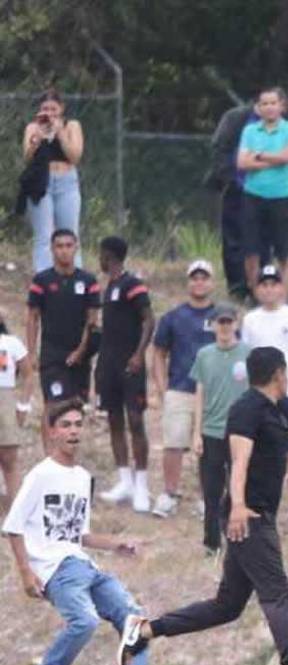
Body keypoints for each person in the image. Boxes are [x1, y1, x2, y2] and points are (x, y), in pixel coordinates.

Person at [119, 347, 288, 665]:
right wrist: (239, 507)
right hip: (248, 515)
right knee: (278, 592)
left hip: (257, 513)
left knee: (227, 606)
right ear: (279, 374)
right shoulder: (246, 409)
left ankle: (146, 629)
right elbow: (239, 461)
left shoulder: (273, 411)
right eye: (286, 372)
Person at [5, 400, 175, 665]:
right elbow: (13, 528)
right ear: (52, 432)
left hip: (83, 564)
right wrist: (26, 573)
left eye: (77, 424)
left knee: (133, 617)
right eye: (66, 425)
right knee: (83, 621)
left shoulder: (83, 477)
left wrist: (116, 545)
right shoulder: (40, 476)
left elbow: (77, 534)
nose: (73, 431)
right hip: (56, 569)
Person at [240, 264, 288, 532]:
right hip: (260, 393)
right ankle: (259, 506)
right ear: (257, 288)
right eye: (264, 284)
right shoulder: (250, 319)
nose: (269, 289)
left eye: (274, 284)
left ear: (282, 287)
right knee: (259, 453)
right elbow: (245, 355)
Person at [150, 259, 220, 518]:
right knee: (174, 443)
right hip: (180, 388)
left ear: (212, 282)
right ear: (188, 282)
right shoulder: (173, 317)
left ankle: (208, 499)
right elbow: (158, 352)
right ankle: (169, 493)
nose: (199, 282)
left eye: (204, 277)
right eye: (195, 277)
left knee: (210, 447)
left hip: (213, 394)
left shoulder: (221, 317)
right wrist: (161, 388)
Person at [94, 237, 154, 513]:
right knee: (114, 418)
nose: (99, 260)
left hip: (130, 364)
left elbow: (148, 319)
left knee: (135, 419)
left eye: (101, 255)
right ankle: (124, 481)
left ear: (110, 256)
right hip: (109, 364)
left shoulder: (132, 284)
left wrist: (139, 353)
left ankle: (142, 485)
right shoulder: (110, 287)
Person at [188, 304, 250, 554]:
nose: (224, 327)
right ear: (212, 325)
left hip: (240, 433)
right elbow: (200, 393)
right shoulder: (204, 355)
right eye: (220, 322)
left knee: (240, 488)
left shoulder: (248, 353)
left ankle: (240, 537)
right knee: (211, 491)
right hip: (211, 432)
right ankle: (211, 542)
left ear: (236, 323)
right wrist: (196, 432)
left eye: (228, 322)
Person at [25, 229, 100, 409]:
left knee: (76, 409)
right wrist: (32, 352)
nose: (64, 250)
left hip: (80, 356)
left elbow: (92, 321)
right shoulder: (41, 280)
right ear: (52, 249)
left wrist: (81, 351)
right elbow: (32, 318)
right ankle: (49, 439)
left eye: (68, 245)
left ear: (76, 248)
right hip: (52, 355)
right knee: (53, 406)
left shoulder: (89, 280)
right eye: (59, 246)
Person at [236, 87, 288, 292]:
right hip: (252, 196)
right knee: (251, 250)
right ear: (258, 108)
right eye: (264, 104)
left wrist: (259, 156)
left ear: (282, 106)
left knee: (283, 250)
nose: (269, 107)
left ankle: (283, 294)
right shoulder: (250, 130)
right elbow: (242, 163)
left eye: (273, 103)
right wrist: (275, 159)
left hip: (281, 197)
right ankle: (255, 292)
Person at [17, 90, 83, 273]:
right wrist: (37, 137)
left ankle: (74, 278)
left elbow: (75, 156)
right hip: (41, 182)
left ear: (61, 109)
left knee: (70, 232)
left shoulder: (71, 126)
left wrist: (59, 131)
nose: (49, 113)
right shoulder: (33, 128)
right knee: (44, 236)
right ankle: (44, 279)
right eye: (45, 109)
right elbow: (27, 157)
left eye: (53, 108)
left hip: (66, 182)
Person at [207, 100, 259, 299]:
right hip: (237, 188)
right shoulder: (235, 119)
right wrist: (229, 178)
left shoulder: (280, 126)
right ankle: (237, 289)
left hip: (265, 191)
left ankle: (260, 287)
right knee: (234, 240)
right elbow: (220, 148)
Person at [0, 311, 35, 510]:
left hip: (5, 401)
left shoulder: (11, 343)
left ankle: (16, 515)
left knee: (9, 459)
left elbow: (28, 375)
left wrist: (23, 405)